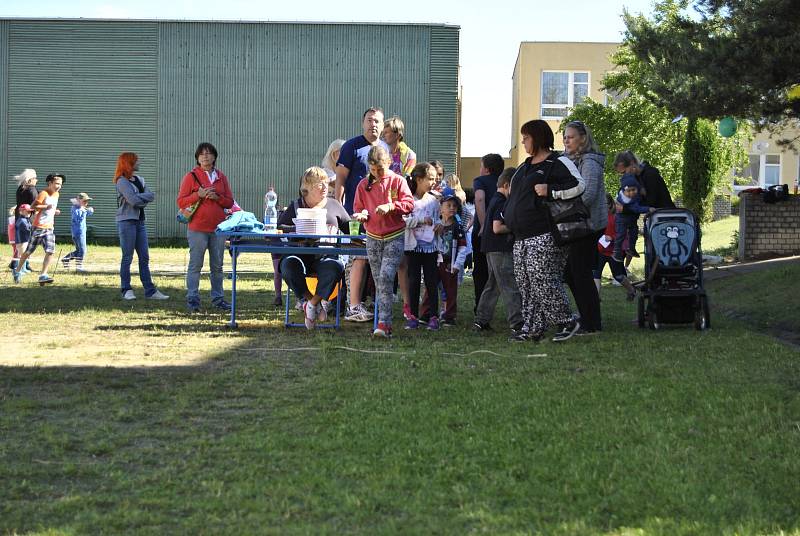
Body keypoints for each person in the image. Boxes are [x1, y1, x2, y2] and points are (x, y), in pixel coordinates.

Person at [503, 119, 585, 343]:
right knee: (526, 283)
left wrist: (551, 191)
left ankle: (567, 321)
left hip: (545, 233)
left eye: (526, 137)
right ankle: (532, 328)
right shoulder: (524, 166)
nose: (523, 141)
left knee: (543, 279)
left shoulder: (558, 162)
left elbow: (579, 185)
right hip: (521, 236)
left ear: (537, 138)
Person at [277, 167, 351, 329]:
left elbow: (350, 228)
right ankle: (311, 301)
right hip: (299, 254)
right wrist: (298, 229)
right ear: (307, 187)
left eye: (326, 183)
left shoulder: (334, 205)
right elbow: (280, 226)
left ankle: (311, 305)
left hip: (326, 255)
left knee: (336, 267)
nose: (325, 187)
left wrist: (361, 220)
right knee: (287, 266)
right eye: (319, 184)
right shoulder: (296, 205)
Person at [352, 145, 414, 338]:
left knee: (387, 276)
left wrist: (391, 206)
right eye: (373, 170)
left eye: (380, 169)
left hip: (394, 236)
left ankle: (384, 323)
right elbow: (359, 207)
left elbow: (409, 204)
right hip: (372, 238)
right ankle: (383, 320)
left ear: (388, 162)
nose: (377, 173)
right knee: (380, 281)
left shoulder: (398, 181)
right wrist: (361, 215)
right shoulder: (363, 185)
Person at [335, 107, 389, 322]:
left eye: (377, 121)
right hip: (355, 216)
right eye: (369, 120)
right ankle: (353, 305)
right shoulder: (351, 146)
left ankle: (370, 302)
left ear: (383, 125)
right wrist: (339, 209)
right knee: (358, 258)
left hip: (381, 217)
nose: (373, 124)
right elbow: (340, 179)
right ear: (362, 123)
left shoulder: (384, 149)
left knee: (375, 259)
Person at [177, 142, 235, 312]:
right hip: (197, 228)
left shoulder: (221, 177)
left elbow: (229, 202)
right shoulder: (191, 176)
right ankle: (192, 298)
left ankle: (218, 299)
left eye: (209, 153)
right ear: (197, 158)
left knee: (217, 266)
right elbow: (180, 201)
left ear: (214, 157)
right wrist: (198, 195)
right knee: (196, 264)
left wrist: (217, 197)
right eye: (201, 154)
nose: (205, 156)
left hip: (218, 229)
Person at [562, 120, 607, 334]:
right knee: (571, 272)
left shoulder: (589, 162)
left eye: (571, 136)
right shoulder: (570, 160)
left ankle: (592, 322)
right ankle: (587, 315)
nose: (566, 140)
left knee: (579, 272)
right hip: (579, 223)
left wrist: (560, 204)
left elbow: (587, 195)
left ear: (583, 138)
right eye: (565, 136)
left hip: (588, 225)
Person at [473, 167, 523, 334]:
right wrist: (516, 226)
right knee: (510, 284)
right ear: (508, 185)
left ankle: (481, 320)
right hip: (500, 249)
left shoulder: (494, 199)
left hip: (490, 248)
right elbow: (497, 227)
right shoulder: (502, 202)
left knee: (493, 284)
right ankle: (517, 322)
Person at [114, 153, 169, 300]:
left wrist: (140, 199)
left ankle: (150, 291)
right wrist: (141, 199)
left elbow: (151, 195)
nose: (139, 162)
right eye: (136, 160)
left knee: (144, 257)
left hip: (140, 222)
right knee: (127, 257)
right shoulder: (121, 181)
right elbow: (132, 201)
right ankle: (126, 289)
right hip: (126, 222)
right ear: (129, 163)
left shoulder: (140, 179)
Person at [382, 116, 417, 321]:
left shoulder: (408, 155)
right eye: (384, 131)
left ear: (398, 134)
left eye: (388, 131)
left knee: (402, 262)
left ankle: (406, 304)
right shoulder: (380, 152)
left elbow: (403, 181)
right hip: (381, 209)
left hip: (399, 209)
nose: (384, 134)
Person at [419, 188, 467, 326]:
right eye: (448, 205)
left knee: (451, 289)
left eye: (454, 206)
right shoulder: (434, 225)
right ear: (440, 209)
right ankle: (426, 314)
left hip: (449, 262)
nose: (452, 208)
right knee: (430, 287)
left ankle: (449, 316)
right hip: (434, 261)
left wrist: (457, 264)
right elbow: (428, 240)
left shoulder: (458, 228)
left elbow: (463, 247)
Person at [402, 162, 441, 330]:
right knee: (414, 281)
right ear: (418, 179)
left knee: (431, 282)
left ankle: (433, 316)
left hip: (430, 247)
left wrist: (440, 224)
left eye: (435, 178)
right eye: (430, 179)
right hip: (413, 247)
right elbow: (402, 221)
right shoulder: (409, 200)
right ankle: (413, 317)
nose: (434, 182)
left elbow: (438, 218)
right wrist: (419, 220)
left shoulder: (434, 200)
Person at [13, 173, 65, 285]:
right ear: (50, 183)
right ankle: (17, 271)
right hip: (38, 227)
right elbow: (32, 207)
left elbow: (50, 209)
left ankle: (43, 275)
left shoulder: (57, 194)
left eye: (60, 184)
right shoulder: (43, 193)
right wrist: (46, 207)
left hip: (49, 228)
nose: (59, 186)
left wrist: (54, 211)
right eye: (56, 183)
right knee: (28, 252)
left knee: (50, 251)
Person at [471, 153, 504, 314]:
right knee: (500, 272)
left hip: (483, 231)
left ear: (486, 169)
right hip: (503, 230)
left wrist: (484, 224)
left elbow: (479, 198)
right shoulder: (503, 181)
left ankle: (481, 308)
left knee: (481, 271)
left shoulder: (480, 181)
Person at [595, 194, 637, 300]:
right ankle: (596, 298)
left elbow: (623, 234)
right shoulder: (598, 216)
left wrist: (612, 238)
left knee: (618, 276)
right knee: (596, 274)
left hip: (614, 251)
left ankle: (631, 290)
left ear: (610, 204)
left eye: (604, 204)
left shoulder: (617, 217)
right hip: (601, 250)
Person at [613, 174, 654, 261]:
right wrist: (648, 209)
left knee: (634, 233)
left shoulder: (635, 195)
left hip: (632, 220)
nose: (631, 193)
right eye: (629, 191)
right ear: (624, 191)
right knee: (621, 234)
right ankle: (616, 251)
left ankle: (631, 249)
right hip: (622, 220)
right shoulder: (625, 200)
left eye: (633, 190)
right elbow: (636, 209)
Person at [12, 168, 38, 272]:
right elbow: (36, 206)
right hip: (29, 219)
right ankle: (23, 265)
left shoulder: (20, 189)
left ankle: (16, 262)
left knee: (20, 242)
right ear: (30, 179)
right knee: (27, 243)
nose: (37, 180)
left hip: (19, 217)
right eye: (35, 178)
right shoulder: (32, 190)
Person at [61, 192, 94, 272]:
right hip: (78, 233)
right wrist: (84, 211)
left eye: (87, 201)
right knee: (83, 250)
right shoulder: (75, 209)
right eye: (84, 201)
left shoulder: (81, 208)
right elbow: (78, 219)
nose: (86, 202)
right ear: (78, 201)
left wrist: (90, 211)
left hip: (81, 232)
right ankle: (79, 267)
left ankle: (66, 259)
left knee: (79, 250)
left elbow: (87, 214)